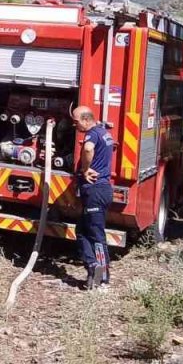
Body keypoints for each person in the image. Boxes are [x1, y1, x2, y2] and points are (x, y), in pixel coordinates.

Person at [73, 105, 115, 289]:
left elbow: (88, 149)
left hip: (95, 190)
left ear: (86, 119)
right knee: (81, 231)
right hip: (102, 190)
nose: (75, 126)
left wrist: (84, 169)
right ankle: (92, 266)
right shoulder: (103, 131)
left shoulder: (92, 134)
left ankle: (103, 279)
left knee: (97, 234)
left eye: (76, 122)